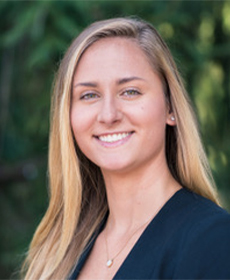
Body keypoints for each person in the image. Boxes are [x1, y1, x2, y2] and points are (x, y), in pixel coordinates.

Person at [22, 17, 230, 280]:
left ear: (170, 107)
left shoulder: (213, 239)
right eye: (89, 95)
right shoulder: (59, 252)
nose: (108, 115)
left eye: (130, 91)